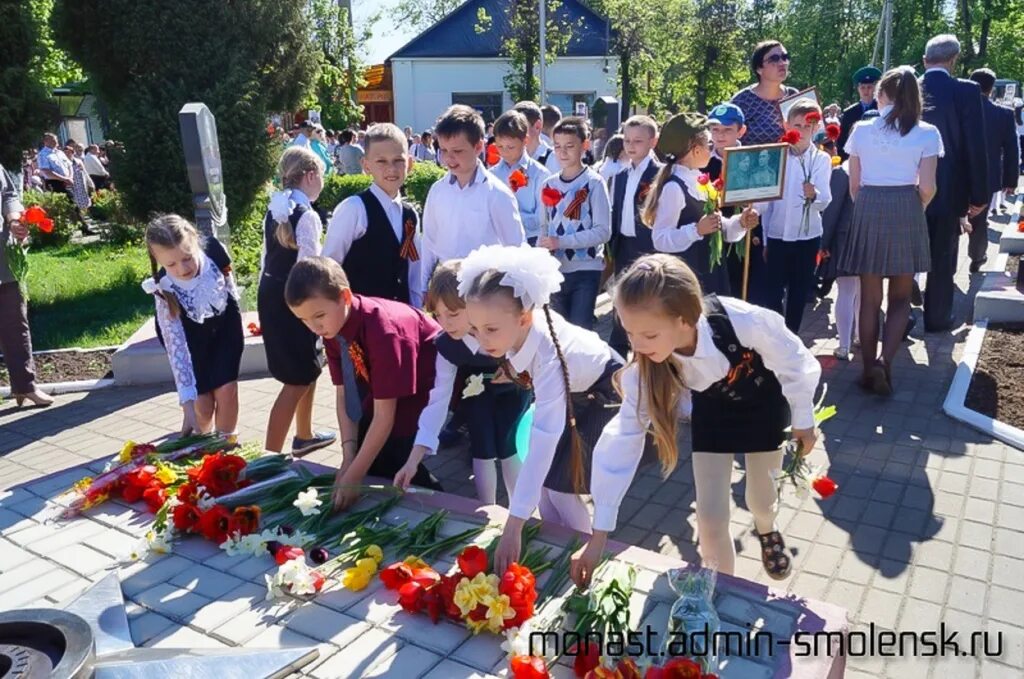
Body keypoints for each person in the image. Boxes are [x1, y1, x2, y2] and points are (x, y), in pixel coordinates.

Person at [570, 254, 821, 584]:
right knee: (709, 518)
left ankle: (767, 528)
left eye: (648, 335)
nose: (637, 347)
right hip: (713, 413)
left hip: (764, 406)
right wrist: (598, 535)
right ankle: (720, 591)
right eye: (630, 334)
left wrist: (803, 416)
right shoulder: (647, 368)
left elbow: (792, 357)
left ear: (684, 320)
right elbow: (622, 438)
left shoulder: (740, 321)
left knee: (761, 499)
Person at [458, 245, 625, 573]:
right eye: (474, 329)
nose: (482, 340)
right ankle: (557, 555)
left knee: (561, 490)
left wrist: (513, 524)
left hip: (603, 396)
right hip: (573, 394)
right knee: (547, 487)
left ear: (524, 317)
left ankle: (589, 559)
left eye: (490, 329)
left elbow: (546, 434)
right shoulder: (520, 328)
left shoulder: (550, 353)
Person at [285, 256, 443, 511]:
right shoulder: (332, 325)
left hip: (425, 381)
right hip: (384, 382)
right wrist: (348, 458)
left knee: (393, 450)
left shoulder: (384, 331)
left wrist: (354, 476)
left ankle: (439, 506)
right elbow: (344, 394)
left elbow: (385, 416)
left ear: (344, 298)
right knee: (365, 448)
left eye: (318, 316)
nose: (314, 327)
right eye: (304, 320)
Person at [838, 67, 942, 395]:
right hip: (906, 206)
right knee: (900, 297)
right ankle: (886, 362)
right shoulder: (927, 133)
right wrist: (915, 208)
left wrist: (867, 204)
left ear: (881, 94)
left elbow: (853, 185)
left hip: (869, 205)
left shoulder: (862, 130)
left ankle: (868, 369)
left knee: (869, 299)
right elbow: (928, 187)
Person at [396, 261, 530, 504]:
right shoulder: (447, 344)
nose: (445, 323)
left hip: (515, 389)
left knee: (509, 444)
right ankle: (489, 510)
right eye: (437, 315)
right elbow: (438, 399)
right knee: (482, 444)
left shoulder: (505, 327)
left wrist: (521, 373)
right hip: (477, 391)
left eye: (453, 314)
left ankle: (519, 510)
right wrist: (413, 461)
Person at [258, 147, 337, 454]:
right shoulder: (307, 215)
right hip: (295, 299)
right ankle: (270, 456)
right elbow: (308, 267)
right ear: (310, 175)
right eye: (322, 175)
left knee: (308, 367)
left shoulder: (276, 207)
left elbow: (266, 258)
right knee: (296, 379)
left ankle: (304, 435)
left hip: (272, 293)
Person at [143, 215, 242, 437]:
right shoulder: (163, 287)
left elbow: (228, 285)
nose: (182, 268)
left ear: (196, 241)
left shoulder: (214, 250)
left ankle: (226, 446)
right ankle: (202, 442)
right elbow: (177, 348)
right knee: (203, 405)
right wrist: (187, 404)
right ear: (157, 259)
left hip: (224, 328)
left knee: (227, 390)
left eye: (187, 258)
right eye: (171, 264)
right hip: (188, 340)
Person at [642, 113, 758, 296]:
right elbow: (660, 239)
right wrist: (696, 230)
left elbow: (718, 227)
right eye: (709, 145)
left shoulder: (699, 179)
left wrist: (740, 223)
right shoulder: (674, 187)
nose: (711, 150)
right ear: (695, 149)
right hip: (687, 280)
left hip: (711, 274)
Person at [919, 34, 989, 333]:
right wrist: (979, 194)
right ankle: (937, 316)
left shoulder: (906, 86)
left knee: (904, 252)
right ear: (953, 60)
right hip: (948, 188)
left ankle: (898, 314)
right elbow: (975, 145)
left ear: (925, 60)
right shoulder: (967, 91)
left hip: (906, 186)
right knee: (943, 253)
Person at [419, 104, 525, 299]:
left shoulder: (497, 193)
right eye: (443, 150)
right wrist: (423, 286)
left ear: (478, 146)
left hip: (484, 290)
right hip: (446, 289)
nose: (449, 158)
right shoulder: (437, 191)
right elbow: (429, 242)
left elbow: (516, 248)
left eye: (457, 151)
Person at [324, 123, 423, 306]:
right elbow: (329, 267)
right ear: (366, 165)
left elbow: (415, 273)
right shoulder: (354, 209)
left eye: (398, 160)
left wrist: (416, 312)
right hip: (361, 321)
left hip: (401, 319)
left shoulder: (410, 215)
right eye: (381, 161)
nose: (391, 169)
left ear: (409, 163)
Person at [756, 101, 833, 333]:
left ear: (816, 127)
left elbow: (824, 201)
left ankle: (792, 335)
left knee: (799, 292)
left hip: (806, 236)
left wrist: (814, 194)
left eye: (807, 126)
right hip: (778, 234)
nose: (800, 131)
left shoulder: (820, 159)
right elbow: (766, 202)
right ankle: (778, 336)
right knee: (773, 292)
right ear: (786, 124)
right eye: (796, 125)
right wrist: (766, 237)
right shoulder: (774, 157)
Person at [538, 116, 611, 330]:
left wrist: (560, 241)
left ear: (584, 145)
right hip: (555, 270)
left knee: (580, 330)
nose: (562, 152)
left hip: (585, 270)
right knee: (557, 331)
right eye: (557, 146)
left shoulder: (594, 183)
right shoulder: (548, 184)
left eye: (569, 146)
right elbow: (544, 226)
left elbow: (603, 231)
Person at [0, 164, 53, 408]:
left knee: (15, 322)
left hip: (4, 256)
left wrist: (13, 220)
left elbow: (9, 194)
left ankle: (25, 386)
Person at [607, 115, 661, 356]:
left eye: (638, 141)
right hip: (625, 245)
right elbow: (617, 212)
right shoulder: (621, 175)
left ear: (653, 141)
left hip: (649, 246)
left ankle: (645, 345)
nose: (630, 146)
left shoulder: (660, 174)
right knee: (622, 297)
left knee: (646, 299)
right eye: (627, 140)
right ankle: (619, 347)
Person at [704, 102, 761, 298]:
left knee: (741, 290)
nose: (720, 135)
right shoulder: (702, 159)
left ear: (741, 131)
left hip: (744, 232)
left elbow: (763, 195)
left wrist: (752, 213)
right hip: (710, 234)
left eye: (727, 130)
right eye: (715, 129)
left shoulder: (752, 159)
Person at [966, 69, 1020, 273]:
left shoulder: (960, 110)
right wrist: (1010, 180)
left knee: (953, 220)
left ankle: (949, 263)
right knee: (980, 221)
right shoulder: (1003, 114)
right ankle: (977, 256)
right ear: (991, 89)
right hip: (987, 176)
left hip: (957, 176)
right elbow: (1011, 149)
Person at [816, 138, 859, 360]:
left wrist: (824, 243)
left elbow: (832, 212)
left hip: (846, 239)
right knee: (862, 292)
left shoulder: (842, 172)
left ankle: (845, 344)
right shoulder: (879, 170)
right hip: (864, 238)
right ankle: (858, 336)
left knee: (847, 291)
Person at [490, 110, 551, 246]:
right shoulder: (491, 175)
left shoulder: (540, 174)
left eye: (510, 147)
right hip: (498, 244)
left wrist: (508, 217)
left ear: (525, 141)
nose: (504, 152)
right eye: (499, 146)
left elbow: (543, 218)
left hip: (530, 242)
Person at [837, 66, 882, 160]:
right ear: (858, 89)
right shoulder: (849, 113)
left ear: (875, 88)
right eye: (863, 87)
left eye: (869, 87)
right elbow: (842, 141)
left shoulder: (882, 110)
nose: (866, 91)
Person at [513, 101, 560, 173]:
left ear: (537, 126)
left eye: (520, 126)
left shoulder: (554, 160)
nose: (514, 132)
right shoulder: (510, 158)